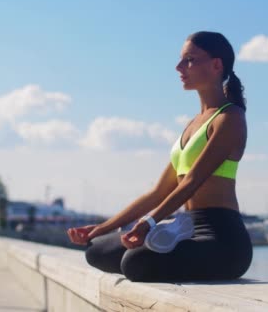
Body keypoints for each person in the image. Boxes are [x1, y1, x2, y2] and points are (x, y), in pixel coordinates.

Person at [67, 31, 252, 282]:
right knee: (98, 250)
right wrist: (100, 229)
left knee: (135, 262)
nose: (179, 67)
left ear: (216, 64)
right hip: (185, 229)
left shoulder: (230, 118)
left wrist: (148, 223)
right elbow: (158, 193)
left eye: (189, 60)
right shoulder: (192, 124)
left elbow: (192, 181)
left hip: (222, 239)